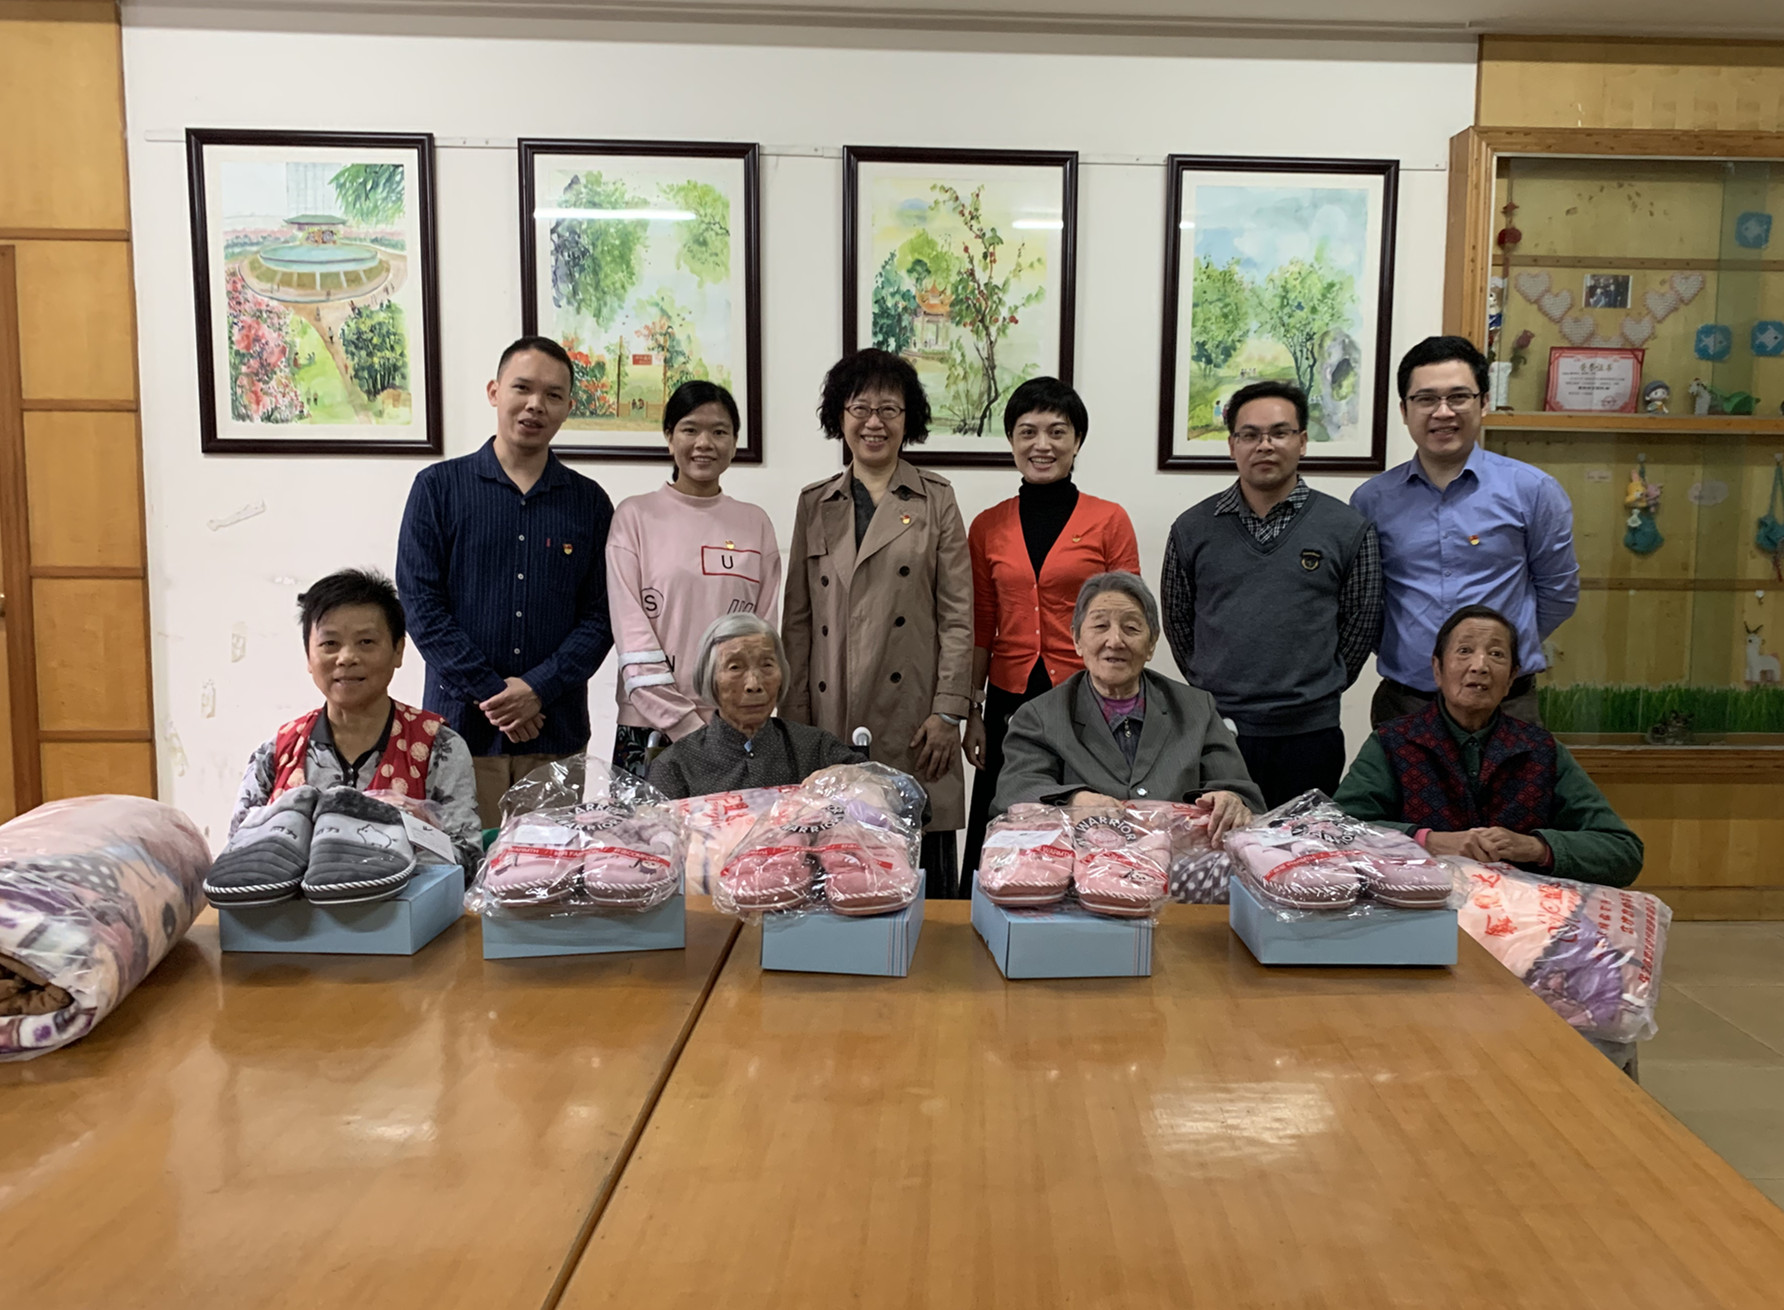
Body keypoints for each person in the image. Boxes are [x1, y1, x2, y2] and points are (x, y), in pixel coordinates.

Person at [396, 335, 615, 827]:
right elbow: (421, 607)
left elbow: (601, 617)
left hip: (555, 734)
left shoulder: (589, 503)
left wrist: (537, 690)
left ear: (568, 408)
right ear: (494, 391)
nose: (536, 404)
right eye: (523, 387)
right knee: (460, 863)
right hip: (460, 734)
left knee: (549, 865)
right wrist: (498, 696)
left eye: (553, 395)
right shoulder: (438, 489)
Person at [783, 349, 973, 896]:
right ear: (839, 417)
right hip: (831, 714)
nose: (874, 422)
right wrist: (794, 728)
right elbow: (797, 623)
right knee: (833, 869)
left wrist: (948, 712)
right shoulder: (814, 503)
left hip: (914, 717)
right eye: (860, 408)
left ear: (908, 419)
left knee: (923, 876)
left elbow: (958, 616)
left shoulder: (936, 499)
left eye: (889, 409)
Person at [1160, 380, 1382, 809]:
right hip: (1218, 730)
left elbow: (1361, 623)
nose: (1265, 445)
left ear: (1303, 442)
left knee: (1301, 845)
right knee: (1217, 843)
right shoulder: (1192, 529)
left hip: (1310, 733)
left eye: (1279, 433)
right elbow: (1179, 622)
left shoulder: (1347, 528)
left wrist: (1318, 685)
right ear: (1232, 446)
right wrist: (1212, 685)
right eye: (1250, 435)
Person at [962, 377, 1139, 878]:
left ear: (1077, 441)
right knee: (1008, 816)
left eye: (1057, 432)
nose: (1042, 445)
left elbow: (1130, 618)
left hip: (1091, 697)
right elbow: (982, 624)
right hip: (1010, 698)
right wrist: (972, 711)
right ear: (1011, 440)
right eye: (1028, 432)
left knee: (1088, 818)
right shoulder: (987, 526)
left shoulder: (1109, 520)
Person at [1352, 335, 1578, 727]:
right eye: (1426, 399)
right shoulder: (1371, 501)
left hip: (1505, 704)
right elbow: (1362, 601)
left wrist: (1503, 647)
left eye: (1458, 397)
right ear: (1404, 410)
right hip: (1407, 703)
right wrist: (1403, 647)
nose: (1443, 412)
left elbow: (1558, 591)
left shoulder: (1533, 490)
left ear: (1483, 402)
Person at [1333, 605, 1643, 887]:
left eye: (1496, 654)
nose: (1479, 666)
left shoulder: (1541, 750)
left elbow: (1623, 851)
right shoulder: (1393, 742)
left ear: (1511, 679)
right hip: (1420, 911)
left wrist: (1535, 847)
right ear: (1438, 669)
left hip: (1522, 916)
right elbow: (1335, 832)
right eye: (1464, 651)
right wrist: (1427, 841)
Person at [214, 569, 481, 892]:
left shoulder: (438, 746)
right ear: (309, 656)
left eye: (366, 642)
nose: (347, 657)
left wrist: (400, 834)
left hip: (404, 917)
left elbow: (467, 861)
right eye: (330, 643)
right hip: (293, 922)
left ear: (398, 650)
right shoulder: (276, 753)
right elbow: (239, 856)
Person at [994, 573, 1263, 836]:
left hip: (1180, 858)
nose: (1115, 641)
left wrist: (1230, 800)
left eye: (1131, 628)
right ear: (1077, 640)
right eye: (1100, 626)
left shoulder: (1196, 708)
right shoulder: (1040, 716)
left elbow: (1241, 794)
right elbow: (1014, 791)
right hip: (1084, 859)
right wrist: (1073, 801)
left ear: (1151, 643)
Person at [607, 381, 781, 779]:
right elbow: (631, 632)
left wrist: (732, 718)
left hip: (736, 726)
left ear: (734, 443)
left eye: (719, 431)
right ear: (670, 438)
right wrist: (687, 726)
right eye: (690, 429)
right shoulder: (634, 517)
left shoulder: (755, 523)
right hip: (648, 726)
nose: (704, 443)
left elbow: (763, 634)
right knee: (643, 823)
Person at [648, 614, 863, 799]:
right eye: (735, 667)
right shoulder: (675, 767)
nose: (754, 684)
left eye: (767, 665)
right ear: (710, 678)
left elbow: (878, 785)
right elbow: (654, 830)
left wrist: (851, 779)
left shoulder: (816, 748)